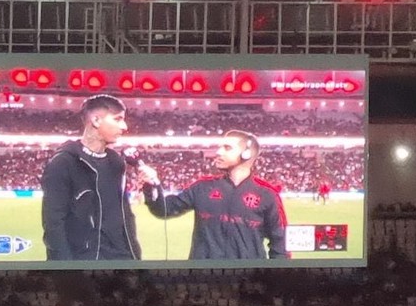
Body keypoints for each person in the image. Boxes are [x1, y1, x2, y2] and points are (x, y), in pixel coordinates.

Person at [138, 130, 287, 259]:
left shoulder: (267, 195)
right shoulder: (202, 187)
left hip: (247, 280)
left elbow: (280, 243)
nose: (218, 152)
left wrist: (274, 279)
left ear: (246, 154)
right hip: (204, 278)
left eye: (227, 148)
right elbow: (163, 209)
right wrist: (152, 184)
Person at [41, 94, 141, 260]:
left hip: (122, 262)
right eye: (117, 119)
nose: (124, 126)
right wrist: (68, 272)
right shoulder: (63, 163)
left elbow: (125, 216)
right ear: (96, 120)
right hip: (86, 264)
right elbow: (53, 226)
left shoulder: (116, 162)